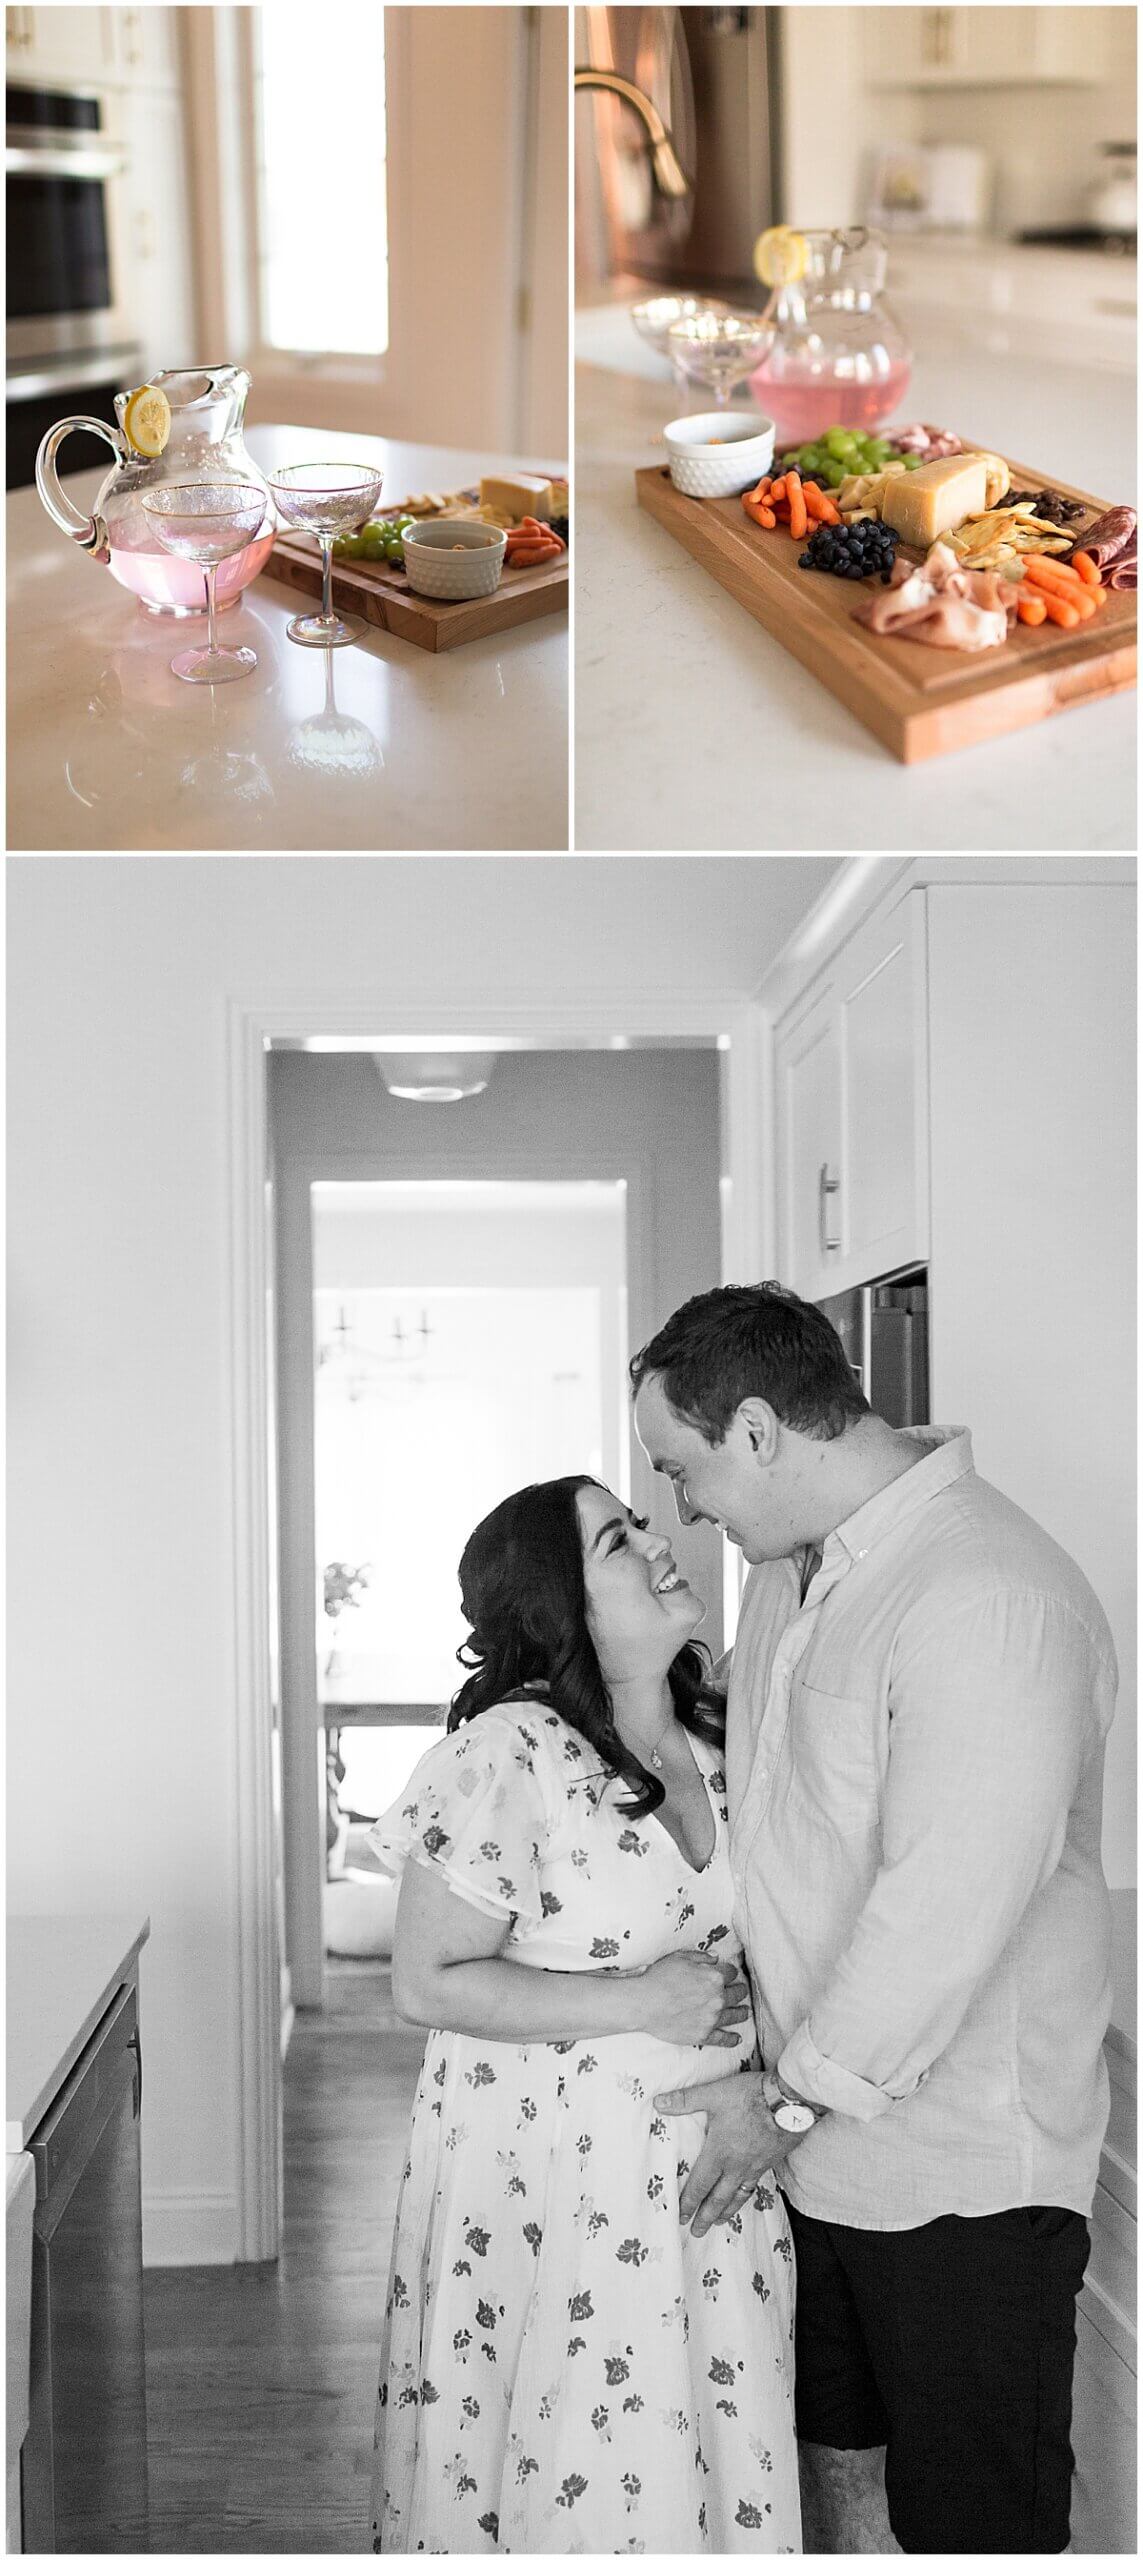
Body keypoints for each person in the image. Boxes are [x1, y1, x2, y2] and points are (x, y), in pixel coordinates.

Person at [631, 1281, 1117, 2559]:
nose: (686, 1509)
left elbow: (940, 1908)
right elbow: (781, 1808)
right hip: (818, 2157)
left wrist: (781, 2099)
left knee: (971, 2529)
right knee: (837, 2504)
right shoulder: (789, 1576)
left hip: (960, 2186)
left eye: (684, 1470)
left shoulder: (988, 1592)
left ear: (754, 1431)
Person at [366, 1475, 802, 2556]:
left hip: (715, 2184)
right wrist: (640, 1999)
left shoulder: (720, 1737)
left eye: (642, 1521)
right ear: (561, 1602)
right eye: (617, 1538)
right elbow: (426, 1981)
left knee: (708, 2472)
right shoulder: (508, 1754)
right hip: (558, 2193)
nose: (658, 1543)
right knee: (582, 2487)